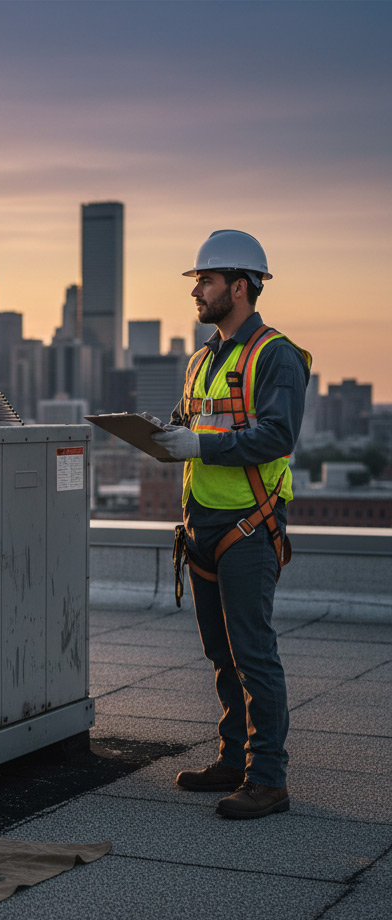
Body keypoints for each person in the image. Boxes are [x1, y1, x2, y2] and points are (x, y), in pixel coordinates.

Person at [151, 230, 311, 820]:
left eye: (207, 281)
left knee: (253, 654)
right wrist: (163, 435)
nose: (197, 292)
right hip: (201, 527)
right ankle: (233, 759)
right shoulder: (202, 358)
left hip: (248, 526)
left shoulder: (276, 356)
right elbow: (191, 423)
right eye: (197, 282)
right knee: (221, 652)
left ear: (239, 287)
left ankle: (268, 780)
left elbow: (276, 435)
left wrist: (198, 442)